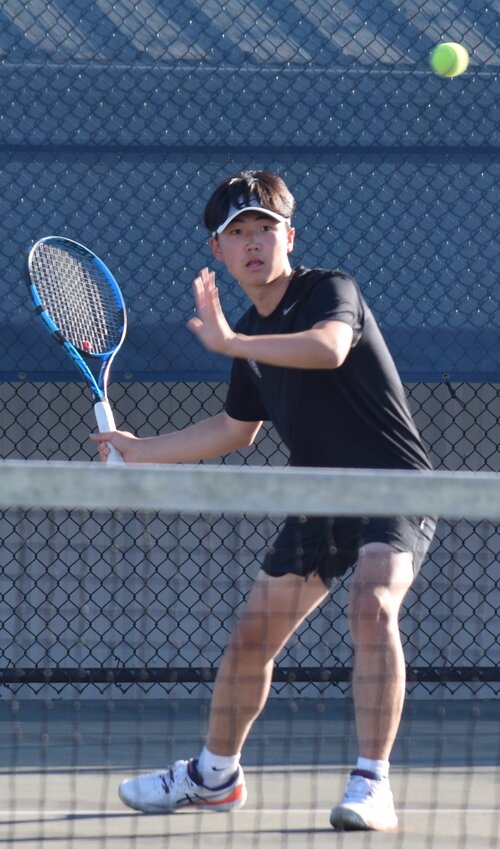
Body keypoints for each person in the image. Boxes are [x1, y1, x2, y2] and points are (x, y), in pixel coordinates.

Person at [91, 169, 436, 832]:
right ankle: (213, 775)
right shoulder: (247, 329)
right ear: (217, 252)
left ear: (289, 236)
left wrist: (233, 343)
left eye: (265, 229)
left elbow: (330, 349)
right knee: (251, 638)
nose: (253, 243)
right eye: (237, 233)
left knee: (372, 604)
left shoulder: (328, 291)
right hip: (317, 495)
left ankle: (372, 782)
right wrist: (140, 448)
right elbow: (235, 429)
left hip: (394, 483)